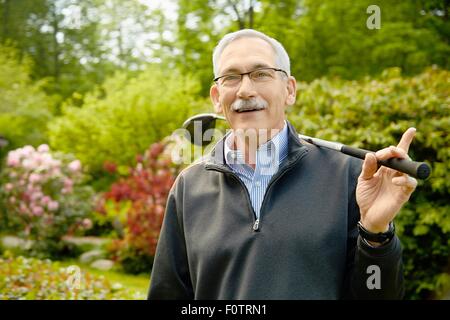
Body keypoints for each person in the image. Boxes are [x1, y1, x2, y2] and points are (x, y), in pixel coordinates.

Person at [148, 29, 417, 299]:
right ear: (217, 97)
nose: (245, 90)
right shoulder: (189, 186)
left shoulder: (349, 176)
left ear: (289, 90)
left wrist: (376, 234)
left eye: (261, 74)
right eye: (231, 77)